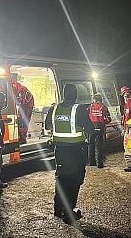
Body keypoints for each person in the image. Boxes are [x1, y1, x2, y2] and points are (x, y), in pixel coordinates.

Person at [45, 84, 95, 225]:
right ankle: (68, 213)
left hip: (60, 150)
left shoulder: (54, 108)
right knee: (74, 180)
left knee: (61, 177)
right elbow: (90, 130)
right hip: (76, 151)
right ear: (76, 95)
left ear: (63, 94)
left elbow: (47, 126)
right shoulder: (79, 109)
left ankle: (57, 208)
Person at [88, 94, 111, 168]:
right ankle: (100, 164)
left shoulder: (90, 107)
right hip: (100, 127)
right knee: (99, 145)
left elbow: (87, 116)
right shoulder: (103, 107)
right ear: (101, 99)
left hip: (91, 127)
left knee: (91, 145)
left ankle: (91, 163)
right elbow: (108, 119)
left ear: (94, 99)